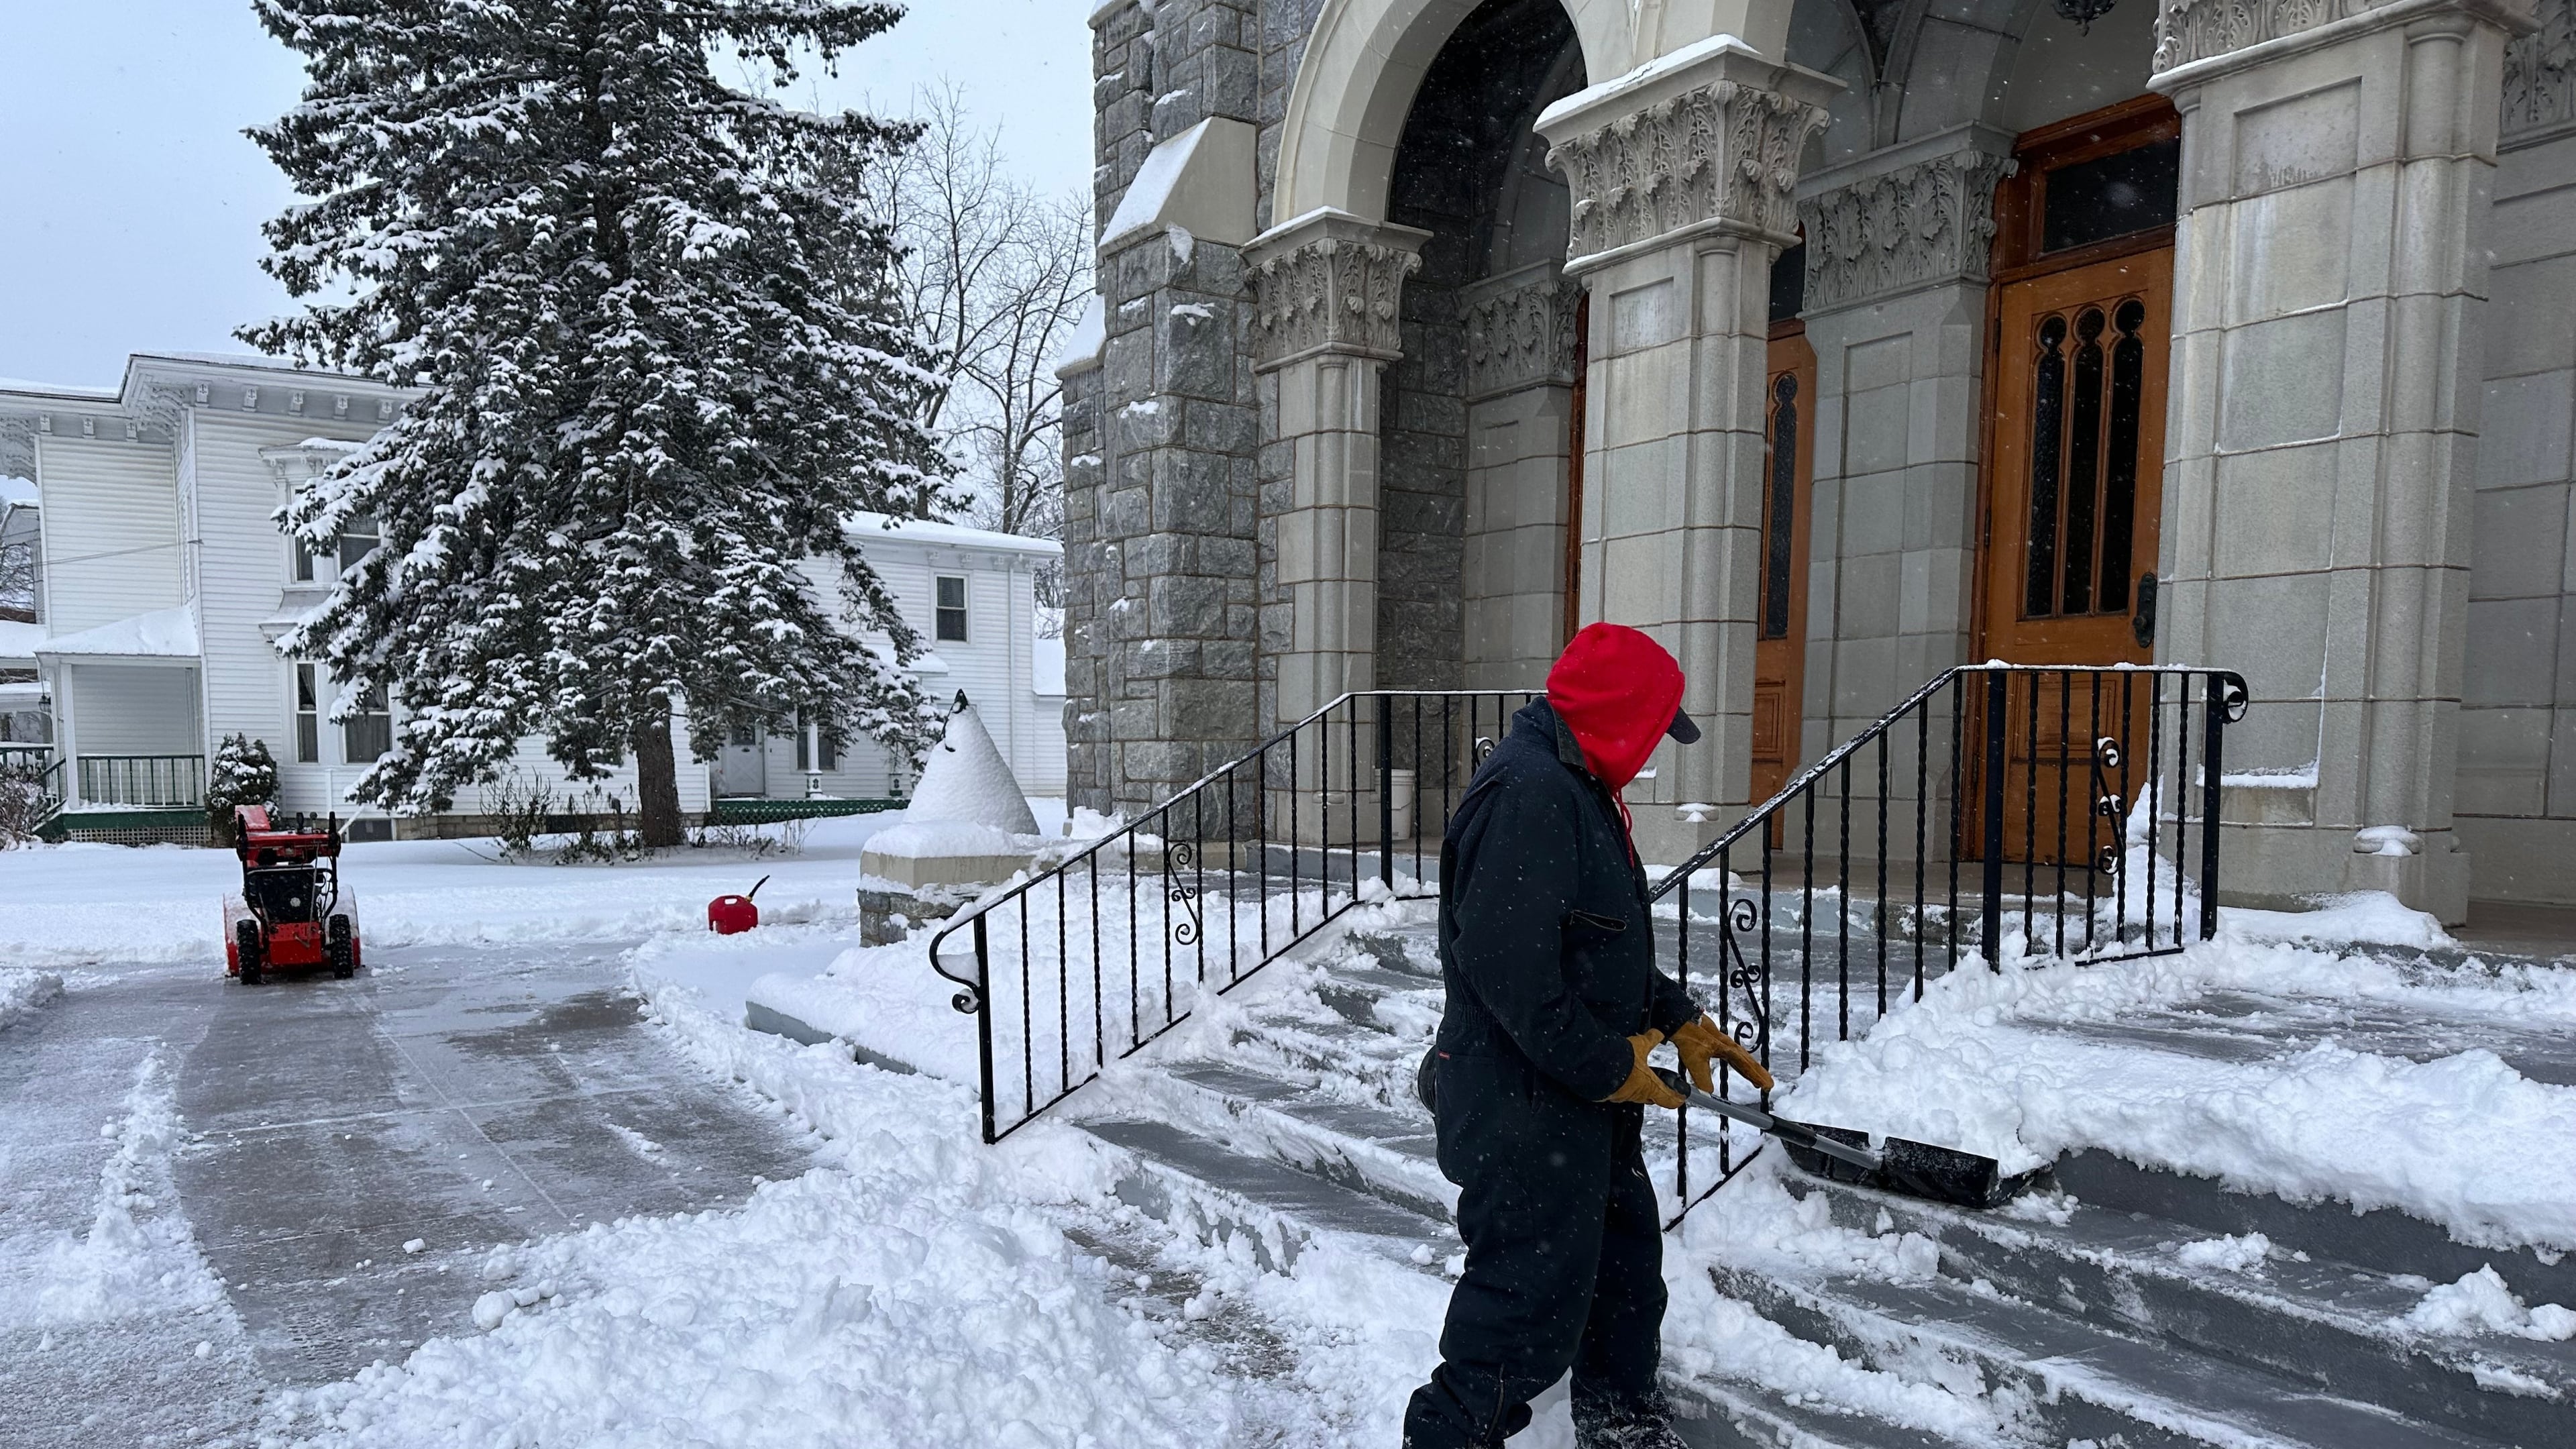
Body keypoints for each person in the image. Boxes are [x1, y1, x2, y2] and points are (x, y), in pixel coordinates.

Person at [1403, 623, 1773, 1449]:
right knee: (1520, 1309)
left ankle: (1619, 1416)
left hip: (1573, 1103)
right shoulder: (1530, 796)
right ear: (1615, 716)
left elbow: (1590, 945)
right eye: (1652, 731)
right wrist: (1612, 1066)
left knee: (1623, 1273)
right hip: (1522, 1106)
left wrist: (1674, 1015)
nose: (1653, 752)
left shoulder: (1577, 786)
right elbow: (1515, 978)